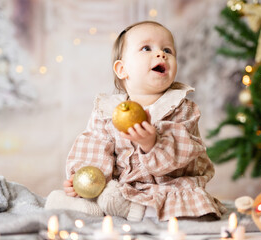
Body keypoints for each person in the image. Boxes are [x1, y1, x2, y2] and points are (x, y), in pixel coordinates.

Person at [62, 21, 226, 221]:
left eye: (168, 50)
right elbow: (94, 145)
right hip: (124, 187)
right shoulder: (108, 111)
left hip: (169, 186)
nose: (161, 54)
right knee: (101, 195)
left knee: (191, 206)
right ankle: (103, 206)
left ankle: (138, 211)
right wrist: (84, 178)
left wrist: (153, 143)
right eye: (146, 48)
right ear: (122, 69)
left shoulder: (181, 107)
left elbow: (186, 152)